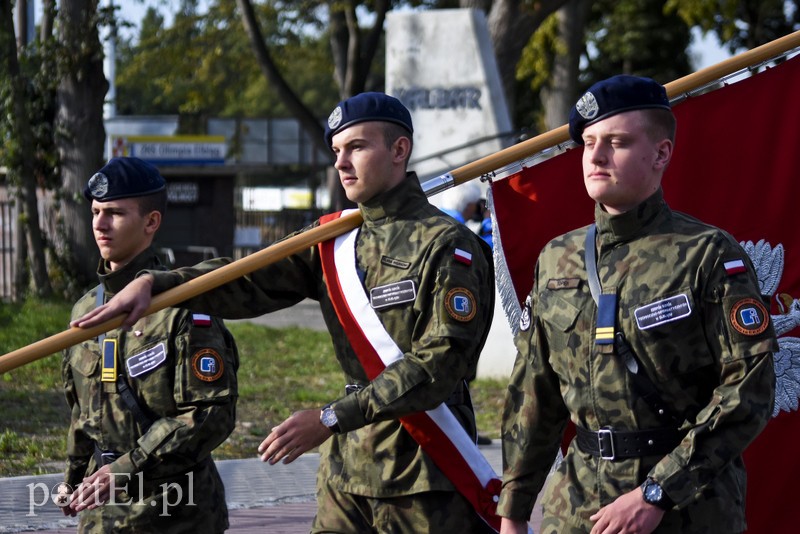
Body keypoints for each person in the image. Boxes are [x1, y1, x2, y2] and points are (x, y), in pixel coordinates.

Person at [72, 93, 497, 532]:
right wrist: (159, 284)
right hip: (348, 471)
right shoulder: (335, 239)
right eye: (336, 151)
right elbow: (248, 278)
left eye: (356, 147)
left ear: (398, 150)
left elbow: (440, 364)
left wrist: (330, 418)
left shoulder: (448, 245)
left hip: (426, 467)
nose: (341, 163)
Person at [497, 75, 777, 534]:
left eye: (617, 142)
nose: (596, 156)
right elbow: (534, 395)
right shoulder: (556, 258)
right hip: (577, 508)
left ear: (661, 153)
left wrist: (657, 493)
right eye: (588, 143)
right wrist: (513, 512)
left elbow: (749, 391)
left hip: (685, 510)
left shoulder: (707, 253)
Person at [61, 157, 239, 533]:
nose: (99, 224)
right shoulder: (85, 309)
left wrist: (125, 468)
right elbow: (82, 413)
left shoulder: (184, 307)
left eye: (114, 213)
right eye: (95, 211)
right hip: (101, 515)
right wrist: (74, 477)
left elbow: (209, 415)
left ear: (151, 222)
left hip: (173, 513)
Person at [441, 181, 494, 249]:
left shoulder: (438, 217)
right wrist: (488, 222)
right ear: (469, 206)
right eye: (476, 203)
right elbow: (483, 249)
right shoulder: (457, 228)